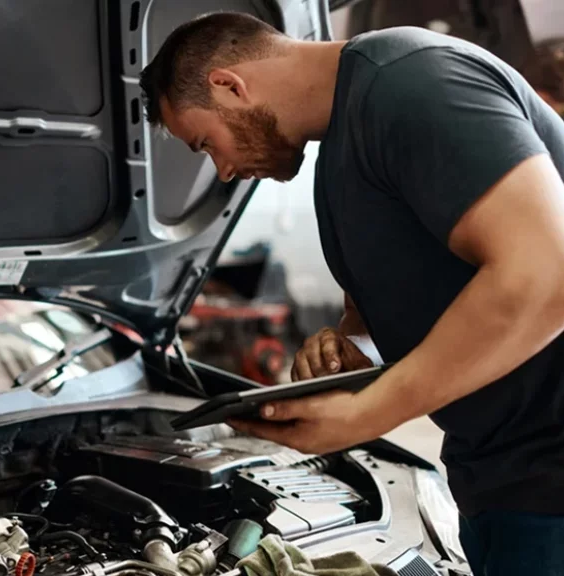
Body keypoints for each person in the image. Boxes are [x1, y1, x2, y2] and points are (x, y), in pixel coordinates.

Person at [139, 12, 564, 576]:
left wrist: (370, 412)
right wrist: (349, 346)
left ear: (229, 85)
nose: (223, 172)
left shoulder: (414, 80)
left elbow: (547, 272)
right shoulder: (336, 158)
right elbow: (379, 305)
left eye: (206, 143)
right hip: (497, 478)